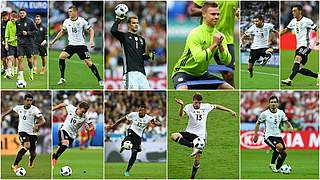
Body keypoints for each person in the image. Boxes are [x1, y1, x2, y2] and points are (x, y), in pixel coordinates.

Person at [171, 93, 236, 179]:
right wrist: (182, 105)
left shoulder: (206, 106)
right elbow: (181, 115)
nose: (197, 104)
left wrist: (230, 110)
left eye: (199, 103)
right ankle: (193, 145)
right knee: (173, 136)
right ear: (192, 101)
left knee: (197, 161)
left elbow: (217, 106)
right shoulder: (188, 107)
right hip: (189, 132)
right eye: (195, 102)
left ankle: (192, 177)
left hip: (200, 136)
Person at [172, 2, 233, 90]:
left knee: (230, 89)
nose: (216, 17)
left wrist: (220, 46)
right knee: (182, 89)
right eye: (213, 14)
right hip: (183, 72)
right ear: (204, 14)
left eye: (218, 14)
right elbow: (199, 59)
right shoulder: (195, 34)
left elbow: (227, 61)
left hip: (202, 74)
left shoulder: (220, 36)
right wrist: (214, 44)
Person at [188, 0, 239, 87]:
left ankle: (230, 97)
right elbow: (191, 10)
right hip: (206, 37)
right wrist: (208, 11)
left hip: (226, 38)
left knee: (228, 74)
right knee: (195, 71)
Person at [49, 5, 103, 86]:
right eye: (68, 11)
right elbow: (62, 32)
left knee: (89, 63)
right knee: (61, 56)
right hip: (71, 45)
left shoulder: (82, 21)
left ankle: (100, 80)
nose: (69, 13)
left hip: (81, 45)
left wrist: (91, 41)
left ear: (75, 12)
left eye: (70, 11)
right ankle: (62, 78)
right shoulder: (66, 21)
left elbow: (91, 30)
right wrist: (52, 42)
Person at [106, 105, 161, 176]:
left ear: (145, 111)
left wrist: (156, 123)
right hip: (132, 130)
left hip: (138, 136)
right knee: (128, 138)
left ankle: (127, 171)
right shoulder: (133, 114)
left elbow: (159, 123)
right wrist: (113, 126)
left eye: (142, 110)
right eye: (139, 110)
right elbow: (122, 119)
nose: (140, 112)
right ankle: (124, 144)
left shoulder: (149, 118)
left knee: (134, 154)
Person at [1, 93, 46, 172]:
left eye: (30, 100)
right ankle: (15, 165)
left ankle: (31, 160)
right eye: (27, 100)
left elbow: (43, 120)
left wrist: (37, 124)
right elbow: (12, 110)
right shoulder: (19, 108)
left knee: (33, 153)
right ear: (24, 100)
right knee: (26, 145)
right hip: (22, 131)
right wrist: (3, 115)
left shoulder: (34, 109)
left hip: (32, 133)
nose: (29, 102)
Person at [111, 13, 155, 89]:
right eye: (134, 23)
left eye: (137, 23)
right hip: (130, 73)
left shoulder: (142, 40)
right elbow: (113, 31)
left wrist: (149, 56)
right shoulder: (124, 36)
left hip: (142, 74)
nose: (136, 25)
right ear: (128, 24)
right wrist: (117, 21)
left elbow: (141, 56)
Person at [280, 4, 319, 86]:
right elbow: (287, 29)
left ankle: (289, 80)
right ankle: (318, 76)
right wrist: (278, 34)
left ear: (300, 11)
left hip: (306, 46)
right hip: (298, 47)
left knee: (297, 59)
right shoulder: (293, 21)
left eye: (295, 11)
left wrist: (318, 39)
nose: (293, 12)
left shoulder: (306, 21)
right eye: (292, 11)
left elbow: (317, 29)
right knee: (299, 69)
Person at [253, 95, 293, 172]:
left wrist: (290, 127)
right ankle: (272, 164)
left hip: (278, 135)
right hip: (268, 136)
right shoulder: (264, 114)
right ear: (269, 104)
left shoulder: (281, 113)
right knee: (279, 147)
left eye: (275, 102)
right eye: (271, 102)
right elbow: (258, 123)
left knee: (284, 154)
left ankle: (277, 168)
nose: (273, 104)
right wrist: (256, 135)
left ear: (277, 103)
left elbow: (286, 121)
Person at [51, 101, 93, 167]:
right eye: (82, 111)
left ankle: (54, 156)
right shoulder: (71, 108)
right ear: (78, 107)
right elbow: (63, 104)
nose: (83, 113)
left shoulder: (85, 117)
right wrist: (53, 108)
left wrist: (88, 129)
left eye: (85, 112)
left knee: (62, 148)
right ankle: (55, 159)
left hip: (72, 135)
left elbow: (92, 126)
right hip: (64, 130)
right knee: (65, 143)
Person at [16, 9, 37, 81]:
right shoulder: (17, 22)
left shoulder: (30, 21)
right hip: (20, 43)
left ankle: (31, 70)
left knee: (29, 60)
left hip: (29, 43)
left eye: (23, 13)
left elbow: (35, 31)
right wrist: (17, 35)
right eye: (20, 13)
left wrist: (28, 33)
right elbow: (16, 32)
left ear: (26, 13)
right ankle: (21, 76)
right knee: (20, 58)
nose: (22, 14)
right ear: (19, 14)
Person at [1, 11, 9, 76]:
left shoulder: (11, 23)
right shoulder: (1, 24)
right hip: (3, 43)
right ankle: (5, 70)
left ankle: (9, 71)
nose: (5, 18)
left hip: (10, 43)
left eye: (6, 16)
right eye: (3, 17)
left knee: (10, 58)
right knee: (3, 59)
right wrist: (2, 40)